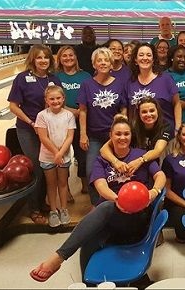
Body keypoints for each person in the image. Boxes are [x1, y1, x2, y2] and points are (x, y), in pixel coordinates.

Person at [29, 115, 166, 282]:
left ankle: (58, 257)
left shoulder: (140, 155)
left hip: (136, 217)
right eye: (118, 134)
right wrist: (118, 200)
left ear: (131, 136)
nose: (122, 137)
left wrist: (154, 191)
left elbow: (160, 175)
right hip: (112, 216)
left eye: (126, 134)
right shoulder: (101, 161)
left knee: (106, 207)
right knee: (89, 239)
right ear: (110, 135)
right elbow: (101, 187)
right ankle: (88, 283)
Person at [8, 44, 62, 224]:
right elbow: (13, 106)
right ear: (33, 59)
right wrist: (31, 122)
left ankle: (45, 203)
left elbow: (59, 105)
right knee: (37, 168)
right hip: (28, 129)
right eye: (39, 57)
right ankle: (34, 208)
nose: (43, 60)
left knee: (49, 167)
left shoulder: (54, 79)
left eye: (46, 57)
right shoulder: (22, 78)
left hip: (50, 130)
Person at [77, 47, 128, 206]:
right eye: (99, 60)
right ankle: (96, 204)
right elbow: (83, 111)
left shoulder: (120, 84)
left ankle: (120, 201)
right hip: (94, 136)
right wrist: (83, 134)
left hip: (115, 137)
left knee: (116, 171)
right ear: (94, 64)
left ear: (111, 64)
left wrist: (123, 117)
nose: (103, 63)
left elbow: (124, 107)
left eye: (106, 60)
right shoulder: (87, 84)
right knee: (92, 170)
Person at [35, 85, 76, 227]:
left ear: (63, 98)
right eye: (51, 98)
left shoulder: (69, 115)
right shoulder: (42, 115)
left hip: (64, 156)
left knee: (63, 183)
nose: (55, 101)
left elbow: (70, 137)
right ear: (46, 100)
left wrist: (60, 154)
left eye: (58, 98)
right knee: (51, 184)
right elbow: (43, 137)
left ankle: (64, 209)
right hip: (47, 157)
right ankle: (53, 210)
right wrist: (55, 153)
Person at [100, 97, 171, 177]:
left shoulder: (165, 126)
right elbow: (103, 150)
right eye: (144, 112)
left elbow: (158, 151)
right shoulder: (132, 127)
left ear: (157, 111)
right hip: (130, 167)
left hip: (151, 165)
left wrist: (140, 160)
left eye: (152, 111)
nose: (148, 114)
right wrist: (115, 162)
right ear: (139, 114)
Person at [55, 45, 92, 196]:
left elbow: (90, 98)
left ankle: (84, 184)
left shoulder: (85, 76)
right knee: (63, 155)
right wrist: (73, 111)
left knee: (82, 154)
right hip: (61, 120)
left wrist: (80, 112)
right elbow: (53, 99)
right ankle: (67, 189)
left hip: (82, 120)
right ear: (60, 59)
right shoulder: (56, 77)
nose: (68, 58)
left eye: (71, 55)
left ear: (76, 57)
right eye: (64, 56)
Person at [125, 42, 181, 137]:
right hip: (139, 136)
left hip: (165, 134)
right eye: (141, 55)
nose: (145, 58)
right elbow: (128, 110)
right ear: (135, 60)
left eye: (149, 55)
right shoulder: (130, 83)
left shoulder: (166, 79)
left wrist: (178, 128)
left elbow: (177, 104)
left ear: (153, 59)